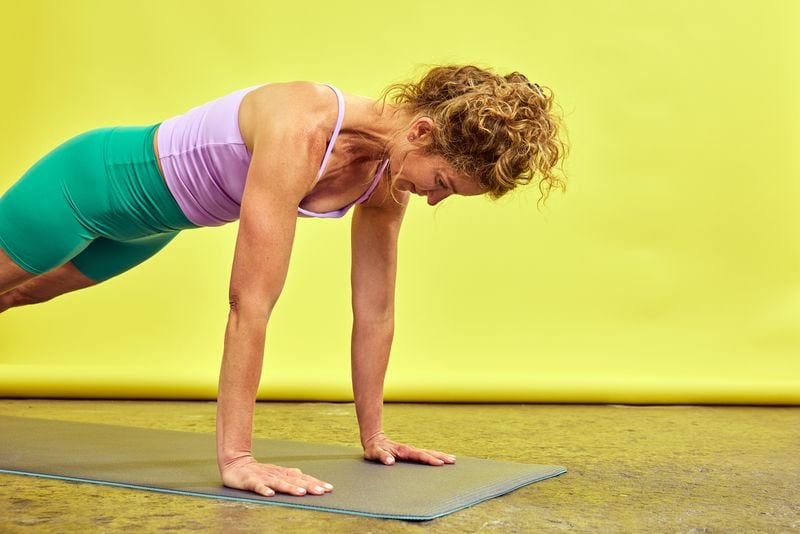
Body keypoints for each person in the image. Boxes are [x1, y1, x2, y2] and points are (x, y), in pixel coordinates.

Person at [0, 64, 568, 498]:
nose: (437, 197)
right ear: (421, 132)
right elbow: (250, 302)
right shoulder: (303, 125)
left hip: (152, 225)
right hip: (89, 185)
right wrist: (238, 459)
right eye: (442, 181)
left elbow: (375, 311)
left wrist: (375, 438)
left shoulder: (389, 175)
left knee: (16, 296)